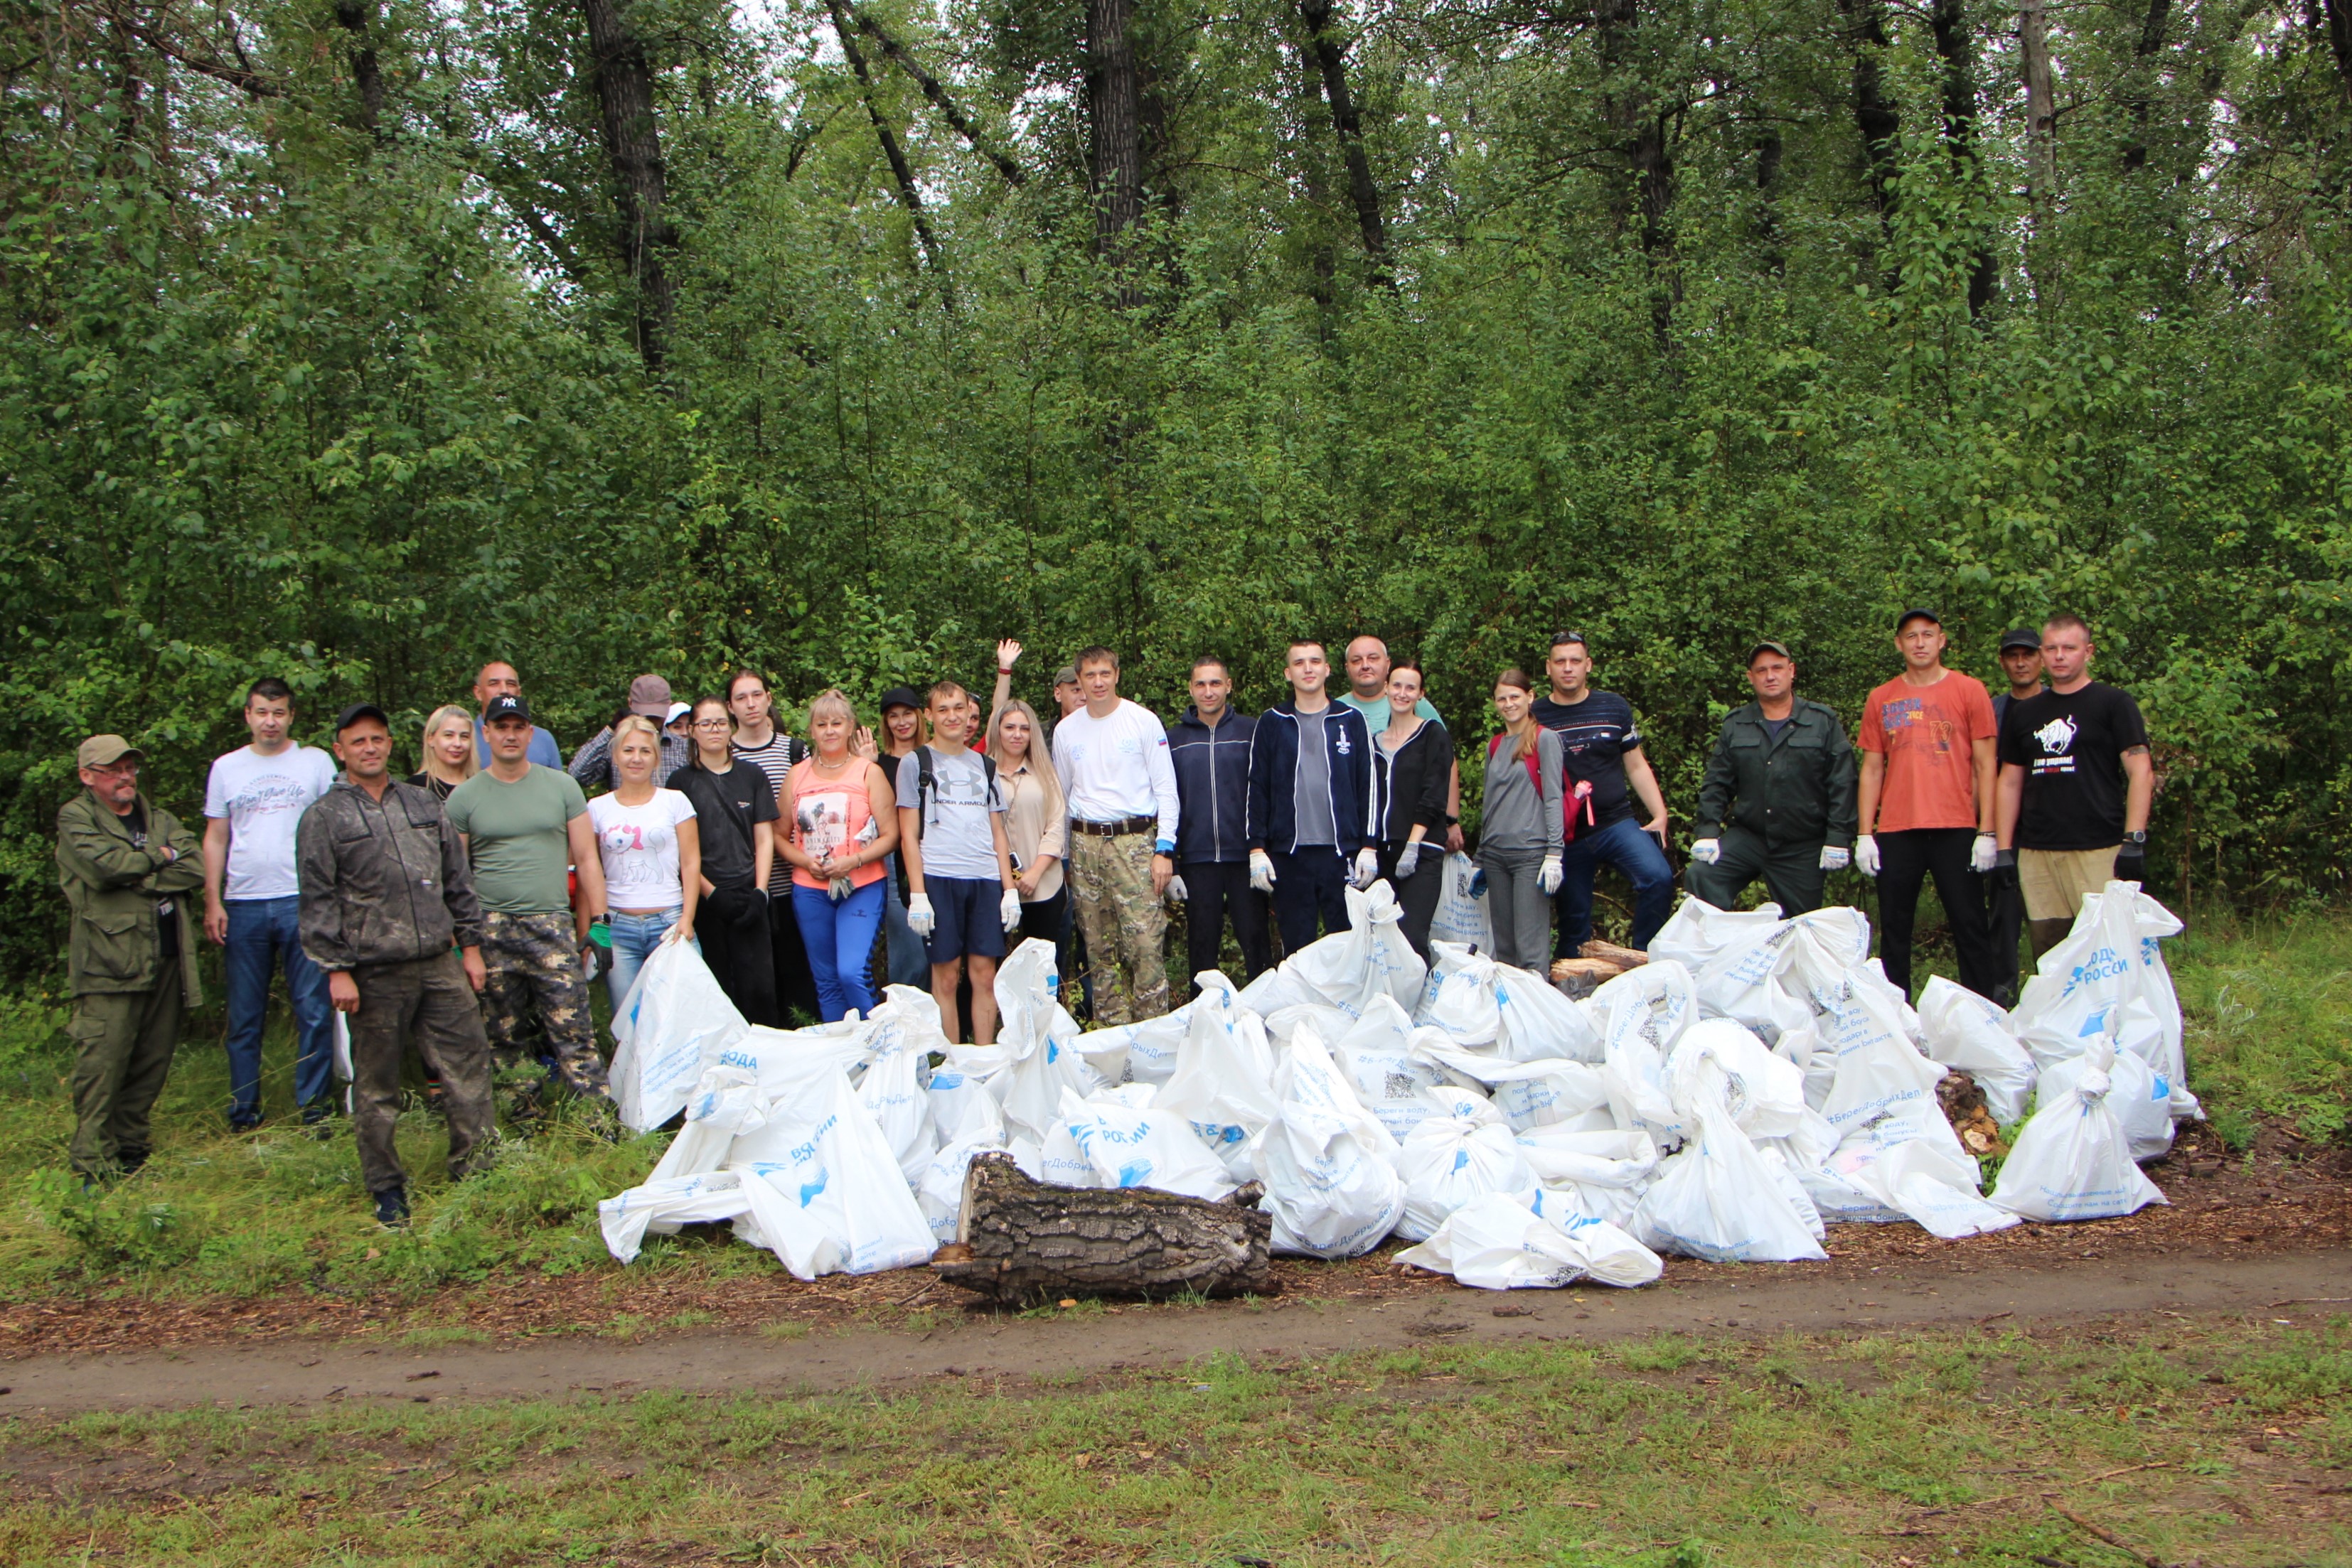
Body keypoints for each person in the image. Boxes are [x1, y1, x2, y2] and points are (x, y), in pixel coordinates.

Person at [296, 704, 498, 1229]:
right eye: (358, 741)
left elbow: (458, 880)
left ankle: (476, 1169)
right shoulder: (324, 818)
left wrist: (470, 947)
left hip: (438, 960)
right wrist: (335, 969)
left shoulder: (422, 804)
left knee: (468, 1064)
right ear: (341, 750)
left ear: (391, 745)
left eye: (378, 739)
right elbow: (318, 900)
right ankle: (387, 1188)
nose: (369, 748)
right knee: (378, 1084)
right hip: (372, 969)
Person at [443, 693, 614, 1127]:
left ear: (530, 733)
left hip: (551, 925)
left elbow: (588, 859)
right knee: (504, 1033)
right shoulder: (465, 798)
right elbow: (455, 877)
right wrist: (464, 944)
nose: (510, 735)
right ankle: (523, 1120)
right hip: (491, 928)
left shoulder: (561, 787)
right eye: (501, 727)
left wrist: (600, 923)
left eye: (518, 727)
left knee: (574, 1028)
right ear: (487, 734)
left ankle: (597, 1122)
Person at [57, 736, 204, 1186]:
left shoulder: (158, 817)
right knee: (102, 1063)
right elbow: (105, 869)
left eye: (129, 768)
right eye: (113, 770)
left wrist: (142, 875)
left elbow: (196, 865)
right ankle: (93, 1164)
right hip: (108, 961)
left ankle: (132, 1151)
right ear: (87, 776)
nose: (125, 777)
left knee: (152, 1059)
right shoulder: (75, 817)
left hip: (164, 956)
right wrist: (158, 859)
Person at [201, 677, 338, 1131]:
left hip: (303, 899)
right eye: (262, 712)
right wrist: (213, 901)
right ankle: (244, 1111)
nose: (270, 722)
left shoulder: (315, 762)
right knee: (244, 1016)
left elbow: (333, 829)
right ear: (248, 716)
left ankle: (315, 1108)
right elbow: (216, 837)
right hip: (243, 903)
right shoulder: (226, 768)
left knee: (314, 1011)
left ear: (291, 716)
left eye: (278, 713)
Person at [1854, 608, 2002, 999]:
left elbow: (1988, 765)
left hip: (1956, 825)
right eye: (1910, 636)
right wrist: (1864, 834)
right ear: (1898, 644)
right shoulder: (1882, 697)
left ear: (1942, 640)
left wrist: (1988, 831)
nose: (1919, 643)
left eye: (1927, 635)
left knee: (1970, 925)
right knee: (1895, 930)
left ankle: (1981, 1015)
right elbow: (1872, 769)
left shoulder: (1969, 691)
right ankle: (1898, 1021)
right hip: (1898, 829)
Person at [1995, 614, 2154, 957]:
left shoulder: (2113, 703)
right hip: (2038, 852)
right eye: (2051, 648)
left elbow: (2141, 771)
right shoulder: (2025, 713)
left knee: (2107, 949)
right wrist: (2004, 849)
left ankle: (2114, 1012)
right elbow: (2009, 781)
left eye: (2069, 648)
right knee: (2050, 952)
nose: (2060, 656)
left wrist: (2134, 840)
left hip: (2098, 848)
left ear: (2088, 651)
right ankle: (2056, 1012)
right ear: (2042, 653)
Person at [1052, 646, 1181, 1025]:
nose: (1097, 682)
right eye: (1089, 676)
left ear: (1117, 675)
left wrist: (1165, 849)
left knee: (1144, 944)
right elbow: (1062, 795)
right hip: (1085, 845)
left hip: (1135, 843)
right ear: (1079, 680)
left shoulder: (1142, 722)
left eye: (1104, 674)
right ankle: (1111, 1039)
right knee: (1098, 948)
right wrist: (1064, 858)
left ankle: (1155, 1034)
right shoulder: (1066, 731)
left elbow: (1166, 790)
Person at [1687, 642, 1859, 917]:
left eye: (1777, 668)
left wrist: (1839, 836)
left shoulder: (1821, 721)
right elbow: (1717, 782)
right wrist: (1708, 831)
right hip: (1749, 838)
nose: (1770, 676)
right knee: (1702, 875)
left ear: (1792, 671)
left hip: (1802, 844)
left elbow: (1843, 782)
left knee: (1803, 925)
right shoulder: (1737, 723)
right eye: (1762, 670)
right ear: (1750, 677)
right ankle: (1716, 953)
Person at [1530, 633, 1675, 957]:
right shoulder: (1534, 715)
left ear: (1588, 665)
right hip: (1566, 834)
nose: (1568, 668)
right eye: (1560, 662)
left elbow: (1636, 765)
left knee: (1658, 877)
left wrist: (1660, 814)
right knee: (1574, 923)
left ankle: (1644, 959)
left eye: (1576, 661)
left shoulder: (1614, 706)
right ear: (1548, 668)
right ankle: (1573, 991)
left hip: (1615, 823)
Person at [899, 682, 1021, 1045]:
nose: (952, 716)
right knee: (947, 975)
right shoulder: (915, 763)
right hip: (939, 877)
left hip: (984, 880)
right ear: (930, 715)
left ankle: (983, 1057)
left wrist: (1009, 889)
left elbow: (998, 830)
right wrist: (918, 894)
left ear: (970, 713)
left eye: (959, 708)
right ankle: (952, 1059)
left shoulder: (985, 765)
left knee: (984, 975)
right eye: (943, 709)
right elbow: (908, 834)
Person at [1246, 640, 1376, 953]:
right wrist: (1256, 849)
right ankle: (1299, 1005)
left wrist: (1368, 845)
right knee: (1297, 949)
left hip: (1341, 853)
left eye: (1315, 661)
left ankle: (1345, 1003)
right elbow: (1257, 786)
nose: (1308, 669)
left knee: (1348, 946)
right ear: (1288, 673)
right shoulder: (1273, 722)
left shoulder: (1351, 719)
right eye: (1300, 663)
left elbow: (1368, 785)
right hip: (1289, 855)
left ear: (1327, 669)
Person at [780, 691, 899, 1021]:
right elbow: (779, 837)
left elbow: (891, 835)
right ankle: (842, 1054)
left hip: (861, 883)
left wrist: (854, 861)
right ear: (812, 730)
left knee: (851, 971)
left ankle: (878, 1043)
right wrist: (805, 862)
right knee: (827, 980)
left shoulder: (867, 772)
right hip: (810, 888)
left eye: (837, 723)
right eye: (822, 724)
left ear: (850, 727)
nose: (829, 730)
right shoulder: (797, 775)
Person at [671, 696, 781, 1024]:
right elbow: (681, 850)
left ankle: (765, 1058)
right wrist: (711, 893)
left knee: (760, 988)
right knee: (718, 986)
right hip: (707, 897)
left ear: (731, 728)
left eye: (720, 723)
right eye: (705, 724)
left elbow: (764, 837)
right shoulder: (680, 783)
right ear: (693, 731)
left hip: (751, 892)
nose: (714, 730)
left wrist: (760, 891)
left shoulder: (752, 775)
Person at [584, 716, 701, 1018]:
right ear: (615, 756)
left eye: (645, 751)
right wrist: (589, 930)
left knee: (681, 1016)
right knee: (629, 1021)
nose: (636, 758)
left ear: (656, 758)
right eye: (628, 750)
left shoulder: (675, 802)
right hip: (618, 926)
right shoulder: (597, 808)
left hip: (670, 922)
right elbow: (589, 869)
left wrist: (687, 919)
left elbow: (690, 863)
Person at [1167, 655, 1271, 984]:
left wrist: (1263, 849)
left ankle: (1265, 1018)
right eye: (1200, 684)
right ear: (1191, 689)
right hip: (1197, 861)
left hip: (1245, 857)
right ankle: (1203, 1023)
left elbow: (1267, 793)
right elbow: (1167, 803)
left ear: (1228, 685)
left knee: (1256, 944)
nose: (1208, 691)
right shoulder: (1174, 740)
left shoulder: (1252, 731)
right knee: (1201, 949)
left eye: (1215, 683)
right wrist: (1173, 864)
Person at [727, 669, 819, 1022]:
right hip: (743, 887)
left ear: (768, 698)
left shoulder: (794, 750)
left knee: (798, 975)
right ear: (730, 707)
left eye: (756, 695)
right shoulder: (724, 753)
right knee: (753, 984)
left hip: (794, 880)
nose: (750, 704)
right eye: (741, 698)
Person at [1340, 635, 1464, 854]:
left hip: (1417, 826)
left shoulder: (1414, 703)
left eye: (1373, 658)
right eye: (1357, 660)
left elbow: (1446, 762)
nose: (1365, 665)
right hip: (1361, 829)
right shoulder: (1337, 710)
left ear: (1387, 664)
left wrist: (1451, 819)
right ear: (1347, 667)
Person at [1477, 670, 1567, 970]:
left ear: (1530, 697)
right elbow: (1489, 802)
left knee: (1530, 948)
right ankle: (1509, 1012)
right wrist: (1480, 856)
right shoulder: (1495, 745)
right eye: (1501, 698)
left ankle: (1536, 1012)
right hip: (1495, 855)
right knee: (1505, 948)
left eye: (1515, 697)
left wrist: (1555, 854)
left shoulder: (1545, 739)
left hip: (1530, 854)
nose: (1508, 704)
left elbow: (1554, 797)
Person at [1981, 628, 2049, 1003]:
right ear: (2003, 661)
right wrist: (1985, 829)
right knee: (2004, 915)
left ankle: (2056, 992)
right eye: (2013, 656)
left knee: (2053, 916)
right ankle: (2002, 993)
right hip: (2004, 827)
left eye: (2028, 655)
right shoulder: (1992, 710)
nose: (2021, 663)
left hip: (2051, 825)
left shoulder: (2059, 704)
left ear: (2041, 659)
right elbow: (1979, 769)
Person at [1369, 661, 1452, 960]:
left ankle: (1417, 1004)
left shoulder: (1432, 735)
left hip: (1421, 850)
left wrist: (1414, 843)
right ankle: (1386, 1004)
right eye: (1397, 686)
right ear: (1387, 688)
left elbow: (1434, 792)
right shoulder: (1374, 742)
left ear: (1420, 695)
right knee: (1381, 938)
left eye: (1411, 688)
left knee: (1412, 937)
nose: (1402, 693)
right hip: (1383, 851)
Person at [860, 685, 934, 989]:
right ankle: (905, 1021)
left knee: (939, 953)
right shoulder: (877, 765)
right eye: (893, 716)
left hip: (935, 857)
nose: (902, 722)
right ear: (886, 723)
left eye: (907, 714)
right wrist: (867, 765)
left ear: (919, 716)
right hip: (894, 866)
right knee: (909, 953)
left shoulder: (933, 757)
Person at [988, 698, 1070, 955]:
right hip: (993, 884)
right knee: (990, 962)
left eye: (1024, 729)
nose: (1017, 735)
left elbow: (1057, 826)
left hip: (1043, 884)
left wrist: (1035, 872)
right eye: (1010, 727)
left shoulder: (1046, 773)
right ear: (997, 730)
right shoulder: (982, 772)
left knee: (1039, 964)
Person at [568, 675, 691, 790]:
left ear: (669, 705)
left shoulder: (683, 748)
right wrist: (610, 730)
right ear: (630, 704)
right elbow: (577, 775)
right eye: (646, 714)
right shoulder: (614, 745)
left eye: (657, 714)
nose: (651, 719)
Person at [471, 662, 562, 768]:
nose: (504, 690)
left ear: (518, 693)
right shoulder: (464, 739)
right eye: (494, 684)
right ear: (478, 693)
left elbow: (558, 783)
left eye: (510, 684)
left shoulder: (543, 739)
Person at [409, 704, 480, 801]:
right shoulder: (415, 787)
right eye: (449, 735)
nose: (457, 744)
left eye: (464, 736)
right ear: (431, 739)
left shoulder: (482, 786)